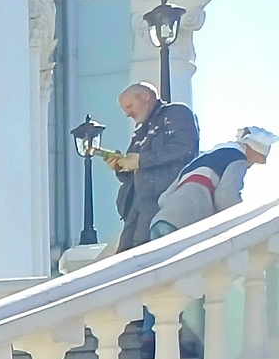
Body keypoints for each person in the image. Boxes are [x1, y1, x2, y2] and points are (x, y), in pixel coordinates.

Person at [106, 83, 201, 251]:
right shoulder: (140, 130)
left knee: (149, 257)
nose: (127, 114)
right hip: (136, 210)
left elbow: (184, 148)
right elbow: (134, 171)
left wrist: (141, 160)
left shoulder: (177, 113)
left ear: (146, 97)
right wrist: (120, 166)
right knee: (126, 258)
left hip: (163, 203)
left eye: (129, 106)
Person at [151, 126, 273, 239]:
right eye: (256, 160)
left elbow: (163, 199)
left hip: (160, 222)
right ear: (252, 149)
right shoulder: (238, 158)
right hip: (186, 225)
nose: (250, 165)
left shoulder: (198, 160)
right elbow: (226, 198)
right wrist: (245, 220)